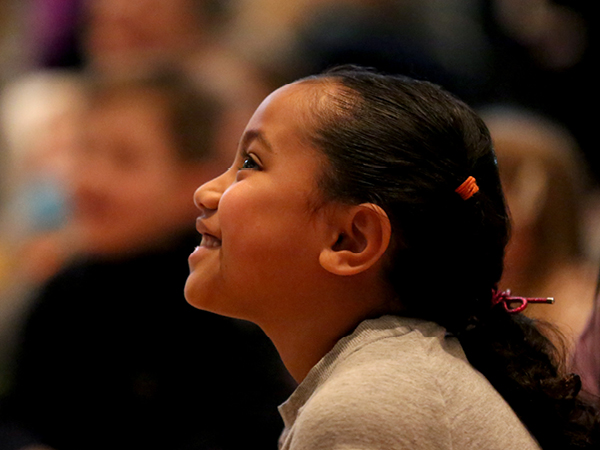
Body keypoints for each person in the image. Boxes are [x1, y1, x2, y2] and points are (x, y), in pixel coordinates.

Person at [184, 66, 600, 449]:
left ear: (352, 239)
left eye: (251, 163)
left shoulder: (372, 404)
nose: (206, 193)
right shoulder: (388, 380)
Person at [0, 71, 294, 450]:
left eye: (125, 160)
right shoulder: (65, 289)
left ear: (196, 180)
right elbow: (18, 410)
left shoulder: (227, 301)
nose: (91, 179)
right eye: (85, 151)